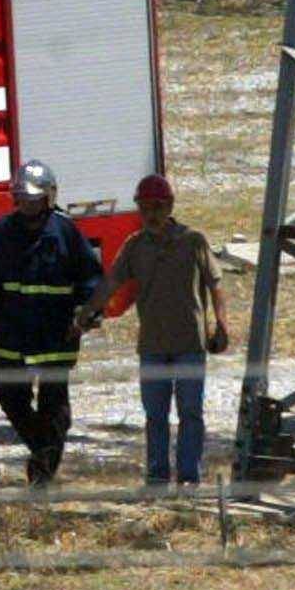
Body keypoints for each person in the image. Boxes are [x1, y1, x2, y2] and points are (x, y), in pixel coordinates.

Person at [77, 173, 229, 490]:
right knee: (155, 417)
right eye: (144, 207)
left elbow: (216, 284)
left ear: (171, 205)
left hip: (190, 344)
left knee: (190, 413)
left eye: (157, 207)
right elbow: (111, 283)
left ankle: (189, 477)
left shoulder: (193, 240)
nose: (151, 214)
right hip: (152, 347)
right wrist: (87, 311)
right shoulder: (134, 246)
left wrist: (221, 324)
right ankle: (157, 477)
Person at [0, 159, 104, 487]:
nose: (28, 208)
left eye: (34, 201)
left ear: (49, 198)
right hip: (14, 334)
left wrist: (85, 315)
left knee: (53, 406)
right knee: (11, 397)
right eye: (23, 200)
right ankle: (43, 449)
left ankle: (42, 476)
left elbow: (91, 279)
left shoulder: (66, 232)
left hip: (56, 335)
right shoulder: (2, 232)